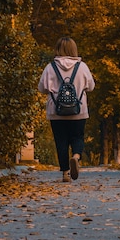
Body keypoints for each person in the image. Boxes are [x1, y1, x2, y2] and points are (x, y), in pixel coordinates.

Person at [38, 37, 95, 182]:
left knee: (61, 141)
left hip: (56, 111)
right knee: (78, 137)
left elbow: (42, 88)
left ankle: (65, 173)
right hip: (78, 110)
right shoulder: (82, 67)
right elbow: (91, 86)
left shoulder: (50, 67)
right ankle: (76, 156)